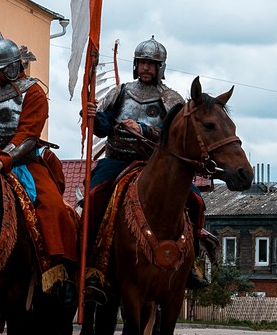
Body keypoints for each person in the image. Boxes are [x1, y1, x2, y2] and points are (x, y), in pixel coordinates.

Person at [80, 36, 207, 301]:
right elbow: (104, 126)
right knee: (94, 196)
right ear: (135, 65)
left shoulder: (171, 99)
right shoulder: (120, 92)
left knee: (196, 200)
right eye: (142, 63)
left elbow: (177, 135)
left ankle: (191, 262)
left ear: (160, 67)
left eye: (151, 63)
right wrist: (93, 116)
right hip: (118, 159)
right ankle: (92, 264)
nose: (146, 67)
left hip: (156, 164)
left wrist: (144, 129)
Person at [0, 33, 78, 301]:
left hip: (20, 163)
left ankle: (58, 269)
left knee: (53, 208)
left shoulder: (34, 93)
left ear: (12, 67)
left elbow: (28, 135)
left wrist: (3, 159)